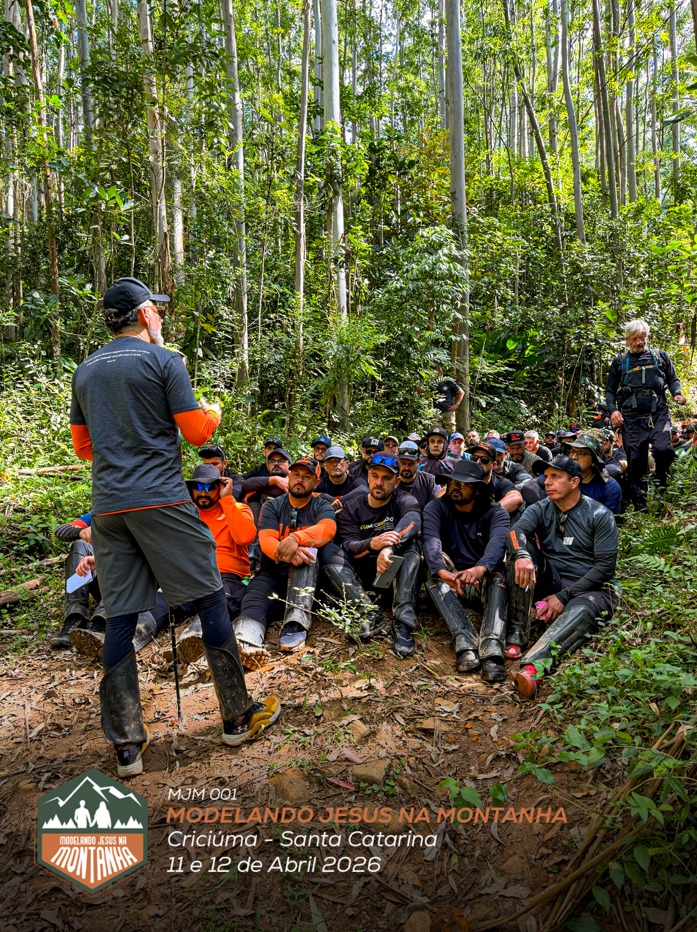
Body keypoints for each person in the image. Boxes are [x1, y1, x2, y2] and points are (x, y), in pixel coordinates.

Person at [70, 276, 279, 777]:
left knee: (120, 615)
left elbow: (83, 448)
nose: (160, 317)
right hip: (161, 499)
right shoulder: (166, 362)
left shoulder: (85, 371)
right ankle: (237, 716)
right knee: (209, 595)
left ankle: (127, 748)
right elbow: (196, 432)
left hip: (109, 508)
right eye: (156, 310)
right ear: (144, 315)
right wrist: (213, 411)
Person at [505, 455, 618, 698]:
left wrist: (563, 596)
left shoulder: (600, 515)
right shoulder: (541, 507)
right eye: (546, 477)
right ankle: (517, 632)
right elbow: (516, 531)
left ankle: (533, 669)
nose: (547, 482)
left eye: (556, 477)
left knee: (581, 610)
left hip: (590, 586)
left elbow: (605, 568)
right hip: (552, 576)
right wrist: (522, 554)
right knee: (521, 556)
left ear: (574, 482)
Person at [233, 456, 337, 662]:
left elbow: (328, 529)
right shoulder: (272, 506)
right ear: (289, 476)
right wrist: (289, 552)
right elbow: (266, 541)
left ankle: (295, 625)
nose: (300, 480)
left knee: (308, 555)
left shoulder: (321, 505)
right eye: (296, 475)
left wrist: (296, 538)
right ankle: (246, 642)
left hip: (308, 576)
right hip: (273, 570)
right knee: (253, 601)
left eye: (307, 477)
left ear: (316, 482)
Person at [423, 460, 509, 682]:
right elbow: (431, 541)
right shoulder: (436, 507)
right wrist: (442, 572)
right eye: (452, 482)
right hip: (451, 580)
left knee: (498, 572)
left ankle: (492, 650)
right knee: (432, 566)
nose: (455, 487)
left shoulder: (495, 512)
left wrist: (480, 568)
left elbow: (498, 544)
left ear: (478, 489)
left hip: (482, 580)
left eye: (463, 484)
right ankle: (464, 642)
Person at [331, 453, 422, 657]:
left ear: (397, 481)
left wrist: (389, 547)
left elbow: (413, 518)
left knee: (413, 545)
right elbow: (350, 544)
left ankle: (403, 623)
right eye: (375, 476)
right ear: (368, 476)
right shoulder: (352, 508)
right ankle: (369, 614)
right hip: (362, 576)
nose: (379, 483)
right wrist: (372, 544)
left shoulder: (403, 499)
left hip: (394, 575)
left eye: (387, 478)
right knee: (330, 552)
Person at [174, 464, 257, 664]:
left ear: (219, 488)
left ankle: (194, 637)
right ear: (192, 490)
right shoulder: (186, 515)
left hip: (228, 575)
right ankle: (132, 636)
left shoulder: (237, 508)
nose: (203, 493)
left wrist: (227, 500)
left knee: (218, 599)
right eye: (199, 488)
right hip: (192, 576)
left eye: (210, 487)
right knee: (161, 601)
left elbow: (245, 536)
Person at [605, 319, 686, 507]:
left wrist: (678, 394)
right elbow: (610, 390)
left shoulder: (661, 357)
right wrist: (613, 410)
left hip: (658, 413)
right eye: (634, 339)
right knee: (635, 460)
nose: (639, 342)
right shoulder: (620, 363)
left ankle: (661, 483)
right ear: (627, 340)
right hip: (631, 418)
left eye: (642, 338)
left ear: (648, 336)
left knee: (664, 449)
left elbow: (673, 380)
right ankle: (641, 504)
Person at [51, 514, 105, 648]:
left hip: (129, 587)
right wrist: (81, 531)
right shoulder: (101, 511)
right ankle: (75, 617)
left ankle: (101, 622)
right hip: (102, 581)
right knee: (79, 545)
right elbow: (60, 531)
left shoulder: (136, 511)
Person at [468, 441, 523, 515]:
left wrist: (488, 515)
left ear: (493, 464)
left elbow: (516, 498)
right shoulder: (462, 479)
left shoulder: (499, 482)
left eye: (484, 459)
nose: (478, 462)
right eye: (474, 458)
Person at [317, 445, 368, 512]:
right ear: (325, 467)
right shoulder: (321, 483)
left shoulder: (355, 480)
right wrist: (325, 496)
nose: (335, 464)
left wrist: (338, 502)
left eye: (338, 460)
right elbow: (308, 493)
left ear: (347, 464)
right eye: (331, 461)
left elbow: (364, 490)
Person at [397, 441, 441, 510]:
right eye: (403, 463)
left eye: (411, 464)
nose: (406, 468)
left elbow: (437, 507)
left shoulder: (430, 481)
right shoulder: (390, 481)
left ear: (418, 461)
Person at [433, 366, 464, 434]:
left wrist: (456, 404)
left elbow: (461, 392)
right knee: (437, 434)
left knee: (450, 433)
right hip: (436, 413)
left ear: (441, 372)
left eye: (436, 373)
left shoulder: (448, 381)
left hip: (448, 411)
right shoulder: (432, 383)